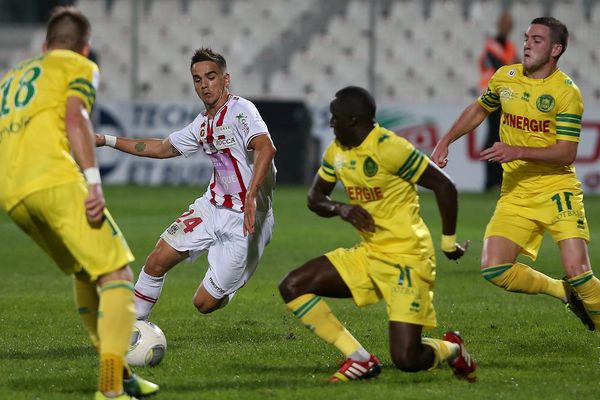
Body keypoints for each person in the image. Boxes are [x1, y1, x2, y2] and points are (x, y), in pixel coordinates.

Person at [0, 7, 158, 400]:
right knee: (118, 274)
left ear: (44, 45)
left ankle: (120, 375)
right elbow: (76, 117)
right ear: (84, 47)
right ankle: (110, 389)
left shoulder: (10, 78)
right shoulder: (79, 65)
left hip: (12, 193)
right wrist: (93, 182)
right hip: (53, 178)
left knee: (88, 273)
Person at [278, 86, 476, 382]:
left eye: (336, 118)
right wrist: (340, 209)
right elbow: (314, 197)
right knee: (293, 285)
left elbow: (444, 186)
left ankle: (452, 348)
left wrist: (448, 243)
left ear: (354, 120)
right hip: (370, 254)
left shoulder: (390, 147)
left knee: (408, 359)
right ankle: (359, 359)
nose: (331, 123)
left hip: (407, 259)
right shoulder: (337, 151)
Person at [431, 17, 599, 332]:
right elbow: (480, 108)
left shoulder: (566, 92)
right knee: (494, 268)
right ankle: (562, 291)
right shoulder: (506, 77)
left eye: (537, 40)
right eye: (526, 38)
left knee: (579, 270)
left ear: (555, 49)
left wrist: (517, 151)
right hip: (517, 190)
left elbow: (567, 152)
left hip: (556, 188)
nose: (527, 44)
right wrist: (445, 140)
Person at [96, 48, 276, 320]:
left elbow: (266, 148)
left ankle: (228, 283)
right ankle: (130, 328)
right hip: (212, 207)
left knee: (204, 304)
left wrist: (251, 196)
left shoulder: (242, 111)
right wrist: (106, 140)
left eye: (211, 77)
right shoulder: (201, 124)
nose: (204, 84)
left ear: (226, 79)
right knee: (157, 260)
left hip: (248, 219)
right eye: (197, 79)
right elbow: (159, 148)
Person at [479, 10, 518, 191]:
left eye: (509, 23)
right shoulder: (493, 45)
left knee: (500, 137)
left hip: (506, 96)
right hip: (493, 95)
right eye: (505, 23)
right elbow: (502, 69)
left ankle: (497, 180)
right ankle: (491, 181)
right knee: (494, 137)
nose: (507, 26)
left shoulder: (509, 46)